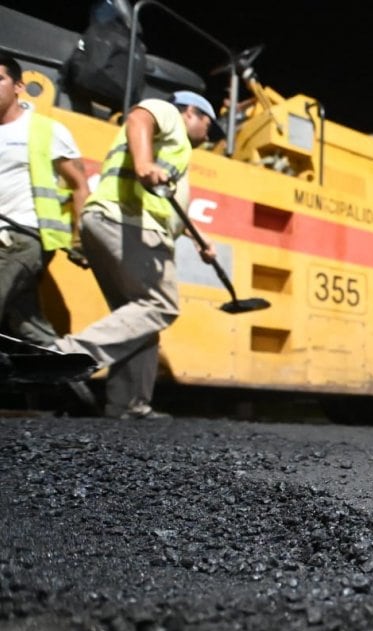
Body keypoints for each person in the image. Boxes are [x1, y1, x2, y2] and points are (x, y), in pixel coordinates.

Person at [54, 89, 220, 420]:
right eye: (209, 125)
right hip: (127, 221)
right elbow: (140, 116)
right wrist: (144, 163)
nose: (208, 135)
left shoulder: (175, 152)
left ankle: (129, 405)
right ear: (191, 112)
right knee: (161, 304)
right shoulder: (167, 113)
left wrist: (198, 239)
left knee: (140, 320)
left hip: (111, 220)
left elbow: (172, 211)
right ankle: (64, 358)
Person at [0, 52, 89, 349]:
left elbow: (79, 185)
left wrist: (81, 241)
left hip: (25, 237)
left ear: (18, 86)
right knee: (25, 324)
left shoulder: (44, 129)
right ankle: (71, 378)